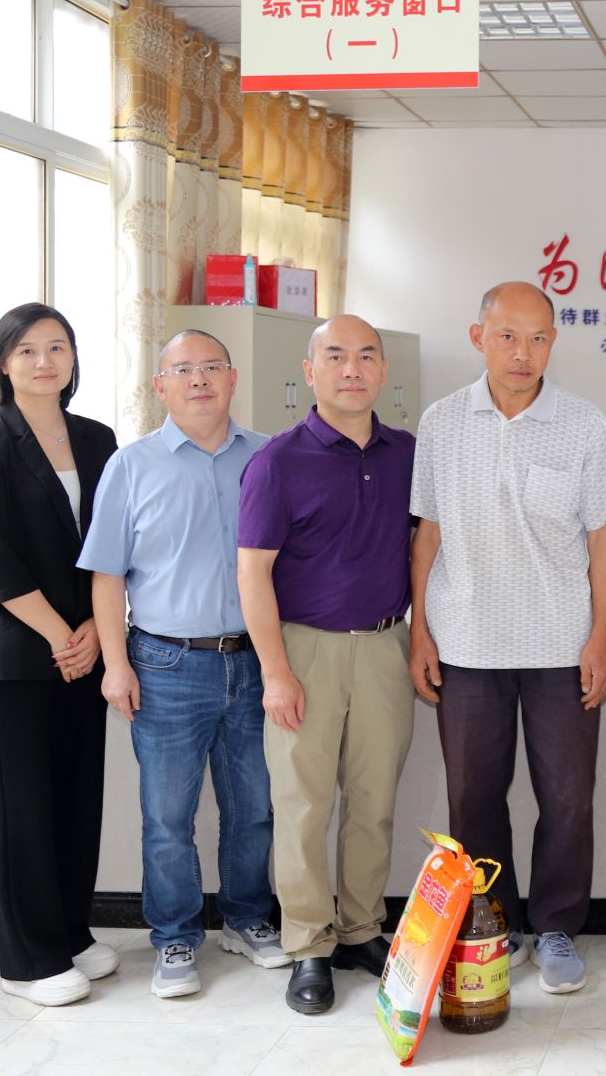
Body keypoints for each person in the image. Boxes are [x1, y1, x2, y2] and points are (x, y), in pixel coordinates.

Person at [409, 281, 606, 996]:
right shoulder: (442, 422)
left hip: (561, 643)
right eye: (507, 336)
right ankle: (490, 924)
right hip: (466, 641)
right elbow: (427, 534)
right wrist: (421, 632)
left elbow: (604, 537)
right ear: (479, 338)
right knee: (473, 797)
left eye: (537, 338)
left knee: (567, 797)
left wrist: (599, 638)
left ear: (553, 342)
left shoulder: (583, 422)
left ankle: (556, 926)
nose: (522, 353)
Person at [81, 330, 291, 999]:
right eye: (182, 369)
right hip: (165, 665)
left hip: (254, 661)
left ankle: (248, 919)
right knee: (168, 817)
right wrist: (116, 665)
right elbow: (107, 577)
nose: (198, 379)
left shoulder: (269, 456)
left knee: (253, 808)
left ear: (232, 378)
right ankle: (174, 937)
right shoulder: (131, 466)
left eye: (211, 367)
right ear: (160, 386)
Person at [238, 314, 418, 1016]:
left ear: (383, 371)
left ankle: (362, 929)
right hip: (303, 649)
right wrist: (275, 672)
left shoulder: (407, 454)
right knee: (303, 805)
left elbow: (424, 551)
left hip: (385, 646)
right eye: (335, 356)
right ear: (310, 372)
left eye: (366, 356)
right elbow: (253, 573)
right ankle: (309, 945)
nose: (352, 369)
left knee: (373, 801)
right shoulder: (278, 461)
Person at [0, 303, 119, 1006]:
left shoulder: (99, 438)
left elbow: (116, 542)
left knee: (75, 800)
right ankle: (26, 960)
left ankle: (70, 934)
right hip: (16, 655)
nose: (44, 361)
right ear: (3, 363)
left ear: (74, 359)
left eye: (57, 347)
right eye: (27, 350)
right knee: (19, 807)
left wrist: (96, 633)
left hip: (87, 645)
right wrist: (60, 634)